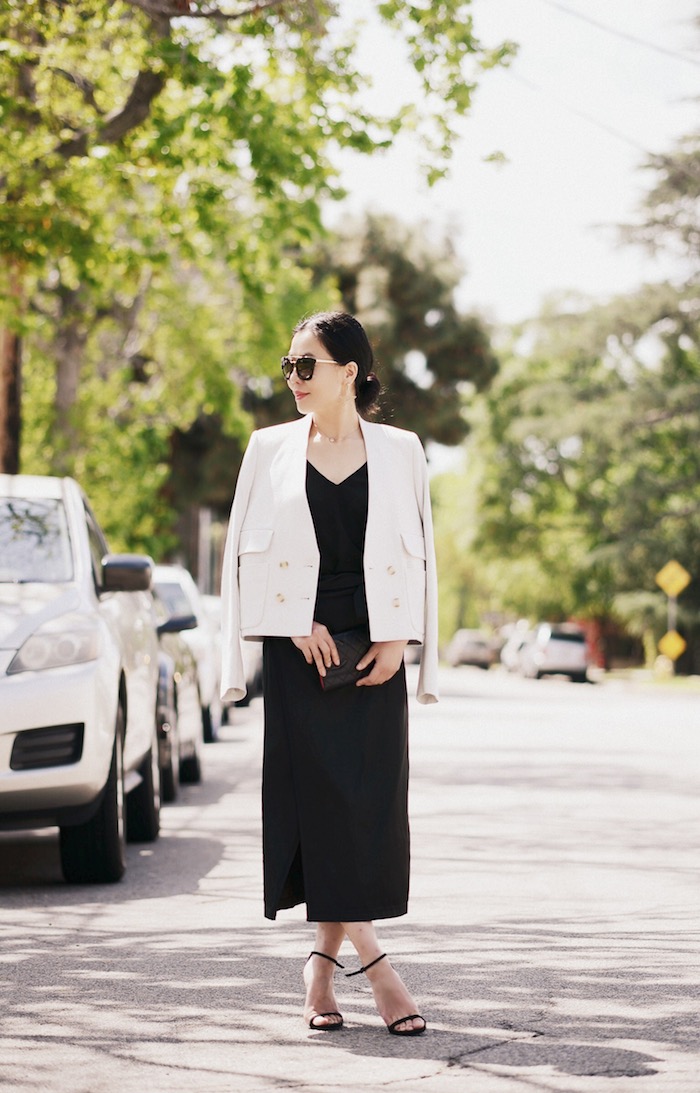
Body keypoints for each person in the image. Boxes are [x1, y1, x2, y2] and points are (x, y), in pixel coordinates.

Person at [220, 311, 438, 1036]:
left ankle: (318, 968)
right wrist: (293, 623)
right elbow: (242, 557)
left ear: (350, 372)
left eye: (307, 365)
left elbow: (421, 553)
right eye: (288, 365)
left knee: (367, 810)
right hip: (299, 647)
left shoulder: (402, 451)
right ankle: (377, 967)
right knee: (318, 811)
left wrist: (399, 637)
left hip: (375, 646)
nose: (294, 379)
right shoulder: (269, 448)